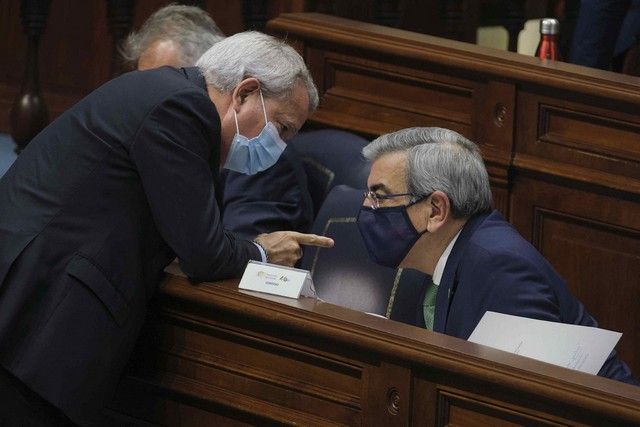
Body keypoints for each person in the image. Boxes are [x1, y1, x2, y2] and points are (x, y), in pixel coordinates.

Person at [0, 31, 334, 426]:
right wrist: (263, 251)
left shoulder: (162, 90)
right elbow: (202, 252)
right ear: (245, 93)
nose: (283, 145)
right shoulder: (184, 108)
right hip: (40, 319)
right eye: (283, 127)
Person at [355, 127, 637, 385]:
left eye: (379, 196)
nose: (367, 206)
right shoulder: (452, 257)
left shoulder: (500, 267)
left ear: (436, 210)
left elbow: (533, 397)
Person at [122, 4, 313, 238]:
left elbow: (243, 252)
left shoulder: (257, 155)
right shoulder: (156, 134)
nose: (153, 97)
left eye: (168, 80)